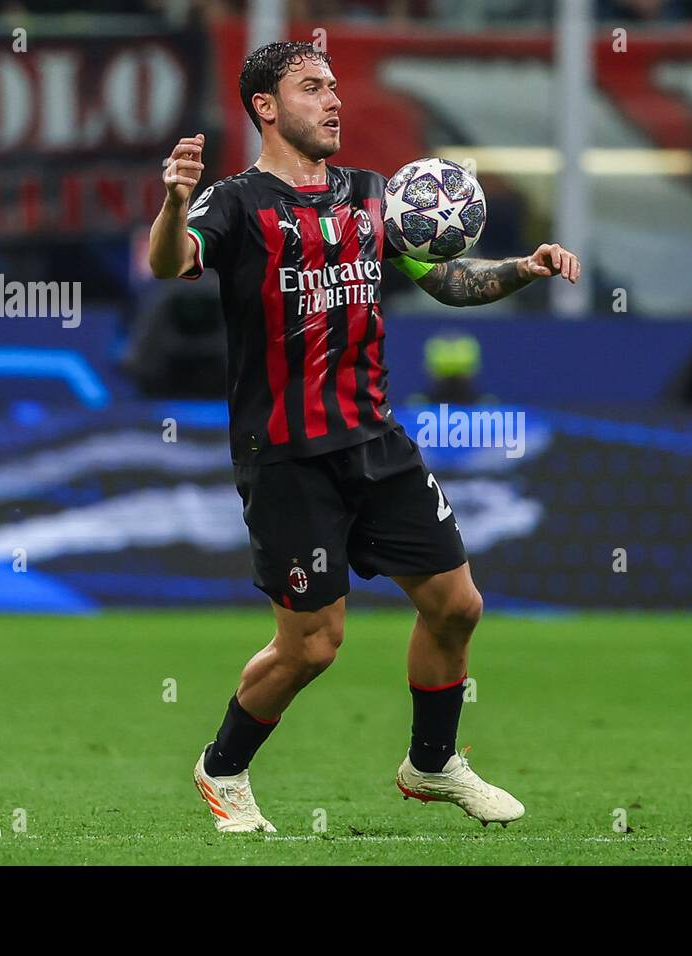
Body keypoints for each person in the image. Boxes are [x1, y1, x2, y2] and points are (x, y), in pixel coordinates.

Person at [148, 41, 580, 832]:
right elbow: (170, 264)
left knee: (457, 605)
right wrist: (177, 200)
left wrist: (524, 266)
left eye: (336, 86)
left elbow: (446, 279)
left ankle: (433, 762)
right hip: (285, 455)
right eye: (313, 87)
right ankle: (222, 766)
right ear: (267, 107)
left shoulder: (373, 195)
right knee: (312, 648)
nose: (334, 100)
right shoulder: (235, 203)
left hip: (375, 441)